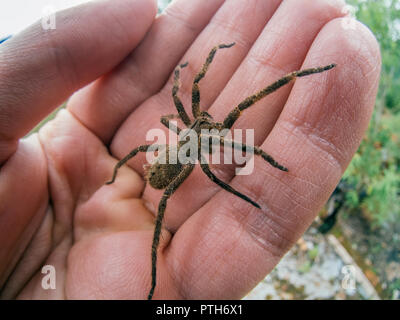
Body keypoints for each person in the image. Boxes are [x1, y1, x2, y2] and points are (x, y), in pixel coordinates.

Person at [0, 0, 380, 299]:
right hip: (173, 164)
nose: (209, 122)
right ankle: (149, 278)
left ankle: (306, 75)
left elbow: (200, 94)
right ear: (194, 122)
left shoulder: (196, 126)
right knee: (163, 192)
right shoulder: (207, 133)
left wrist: (263, 157)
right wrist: (259, 163)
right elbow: (195, 90)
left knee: (239, 106)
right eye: (204, 123)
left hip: (174, 155)